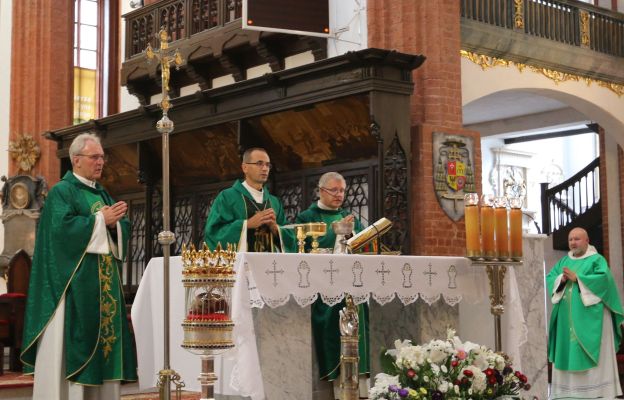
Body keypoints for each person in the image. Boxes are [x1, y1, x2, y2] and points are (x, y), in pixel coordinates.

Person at [21, 133, 137, 399]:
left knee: (104, 345)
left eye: (102, 157)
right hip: (73, 285)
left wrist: (116, 223)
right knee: (74, 342)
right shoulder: (63, 191)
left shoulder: (101, 192)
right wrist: (100, 220)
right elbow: (60, 232)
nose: (101, 162)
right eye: (94, 157)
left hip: (103, 286)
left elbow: (117, 227)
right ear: (76, 160)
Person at [295, 172, 370, 398]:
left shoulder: (349, 216)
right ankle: (338, 387)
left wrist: (354, 235)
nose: (339, 195)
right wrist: (337, 233)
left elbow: (358, 249)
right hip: (323, 288)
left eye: (342, 191)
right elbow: (302, 250)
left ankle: (361, 389)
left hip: (352, 286)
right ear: (321, 191)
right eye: (334, 190)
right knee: (333, 326)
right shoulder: (306, 217)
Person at [547, 227, 624, 399]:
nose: (573, 243)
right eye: (570, 239)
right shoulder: (563, 262)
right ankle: (568, 391)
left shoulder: (597, 260)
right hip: (565, 318)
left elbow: (605, 281)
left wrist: (579, 279)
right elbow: (551, 277)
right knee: (567, 348)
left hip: (592, 317)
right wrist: (561, 279)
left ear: (587, 241)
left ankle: (596, 390)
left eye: (577, 239)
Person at [204, 147, 296, 252]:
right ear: (245, 167)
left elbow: (290, 238)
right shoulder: (227, 197)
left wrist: (275, 229)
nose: (265, 168)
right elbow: (213, 233)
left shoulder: (274, 202)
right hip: (240, 266)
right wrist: (246, 224)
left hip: (270, 265)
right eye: (259, 163)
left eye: (267, 165)